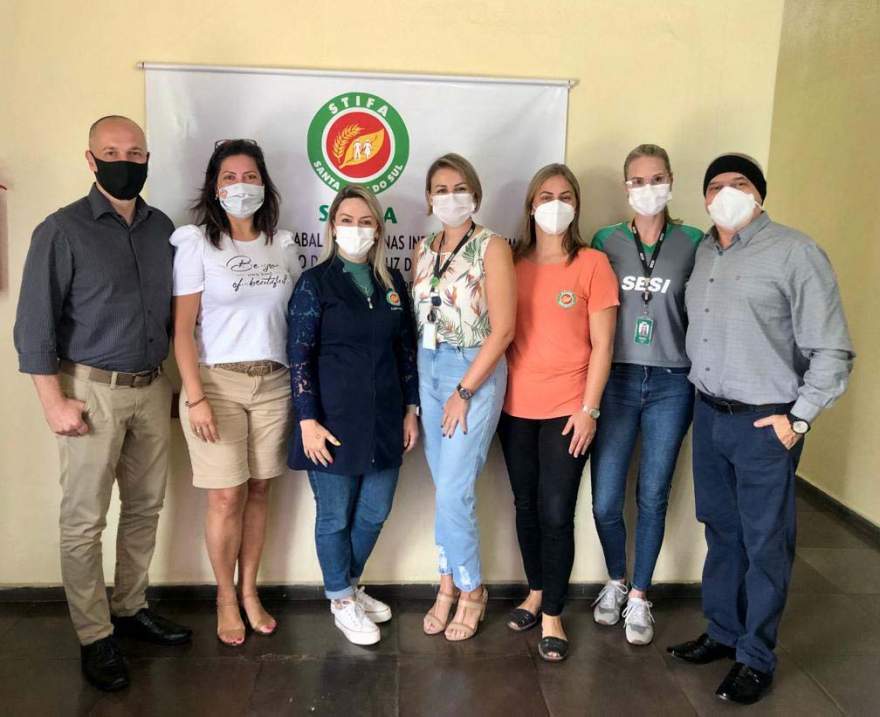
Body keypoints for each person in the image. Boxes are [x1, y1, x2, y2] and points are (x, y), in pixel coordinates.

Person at [666, 153, 855, 705]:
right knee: (720, 530)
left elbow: (833, 350)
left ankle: (756, 656)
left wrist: (798, 419)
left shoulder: (796, 253)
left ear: (761, 195)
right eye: (716, 186)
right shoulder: (703, 251)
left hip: (765, 424)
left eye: (739, 184)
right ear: (704, 199)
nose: (726, 194)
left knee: (765, 541)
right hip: (708, 413)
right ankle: (723, 632)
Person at [13, 115, 191, 692]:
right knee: (84, 520)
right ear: (90, 159)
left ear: (147, 158)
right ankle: (94, 635)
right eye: (111, 151)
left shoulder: (162, 228)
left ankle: (131, 607)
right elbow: (33, 326)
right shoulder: (60, 230)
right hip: (89, 393)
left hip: (151, 386)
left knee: (145, 507)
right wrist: (53, 404)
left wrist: (173, 387)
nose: (125, 160)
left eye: (135, 152)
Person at [171, 139, 299, 646]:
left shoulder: (282, 244)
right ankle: (225, 597)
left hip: (274, 381)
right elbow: (182, 329)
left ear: (263, 184)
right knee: (226, 496)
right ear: (214, 185)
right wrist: (195, 395)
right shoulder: (197, 243)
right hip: (216, 383)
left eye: (249, 176)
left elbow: (292, 318)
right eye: (229, 177)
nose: (240, 186)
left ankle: (250, 591)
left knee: (261, 489)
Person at [287, 184, 419, 646]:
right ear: (332, 227)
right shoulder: (315, 283)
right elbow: (299, 355)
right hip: (330, 421)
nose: (356, 229)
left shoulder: (392, 285)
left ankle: (347, 584)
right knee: (334, 518)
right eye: (347, 220)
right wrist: (307, 419)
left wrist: (411, 409)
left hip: (385, 418)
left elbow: (406, 351)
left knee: (375, 512)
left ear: (379, 229)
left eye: (365, 222)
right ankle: (341, 598)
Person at [497, 164, 618, 661]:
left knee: (555, 512)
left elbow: (604, 346)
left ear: (577, 205)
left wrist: (589, 409)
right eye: (545, 194)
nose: (555, 203)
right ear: (530, 204)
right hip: (513, 409)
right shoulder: (509, 260)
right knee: (525, 507)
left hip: (570, 410)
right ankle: (534, 591)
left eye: (565, 195)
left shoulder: (593, 263)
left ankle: (553, 614)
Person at [588, 145, 703, 645]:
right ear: (625, 185)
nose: (648, 187)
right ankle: (614, 580)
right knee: (605, 499)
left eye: (657, 178)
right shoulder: (605, 240)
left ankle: (639, 595)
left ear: (672, 181)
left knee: (653, 494)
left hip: (671, 382)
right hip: (613, 379)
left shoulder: (694, 241)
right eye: (638, 179)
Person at [412, 153, 516, 641]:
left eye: (459, 187)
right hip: (427, 366)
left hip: (471, 368)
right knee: (444, 490)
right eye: (439, 188)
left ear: (474, 192)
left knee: (455, 491)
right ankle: (446, 584)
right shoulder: (424, 247)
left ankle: (473, 590)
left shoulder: (491, 246)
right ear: (428, 197)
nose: (449, 197)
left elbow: (504, 331)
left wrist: (463, 390)